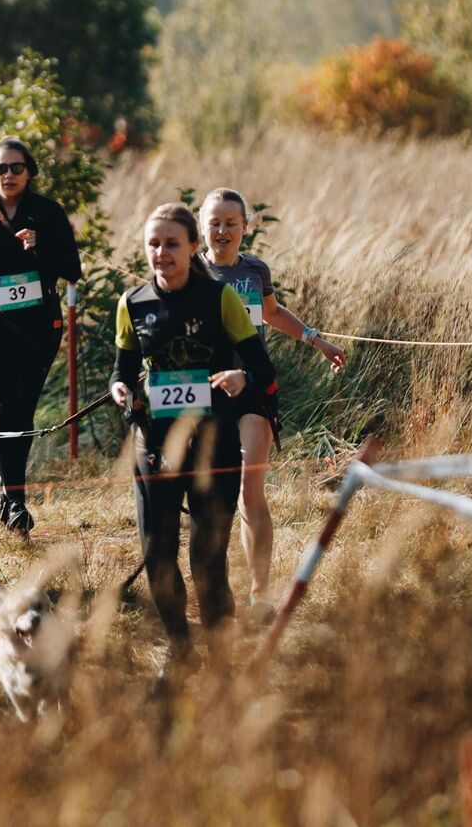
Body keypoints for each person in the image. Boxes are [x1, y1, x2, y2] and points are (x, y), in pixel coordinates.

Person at [110, 203, 276, 685]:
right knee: (158, 553)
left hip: (212, 444)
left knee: (208, 560)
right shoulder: (132, 302)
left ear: (191, 247)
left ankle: (222, 662)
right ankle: (180, 650)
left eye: (172, 244)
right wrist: (120, 389)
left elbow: (261, 367)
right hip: (154, 443)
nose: (161, 253)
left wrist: (241, 376)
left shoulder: (219, 299)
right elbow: (122, 370)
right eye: (153, 244)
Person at [198, 186, 346, 620]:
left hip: (253, 390)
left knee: (249, 493)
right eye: (215, 222)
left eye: (231, 222)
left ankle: (260, 595)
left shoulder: (254, 271)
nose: (222, 230)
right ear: (201, 226)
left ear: (246, 226)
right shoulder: (191, 272)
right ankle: (211, 586)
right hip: (203, 394)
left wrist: (315, 339)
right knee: (206, 495)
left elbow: (272, 314)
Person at [0, 138, 82, 536]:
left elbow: (72, 270)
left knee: (22, 409)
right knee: (6, 400)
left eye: (16, 168)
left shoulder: (47, 212)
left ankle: (5, 485)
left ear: (30, 172)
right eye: (0, 168)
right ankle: (15, 500)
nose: (8, 175)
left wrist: (40, 247)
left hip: (38, 321)